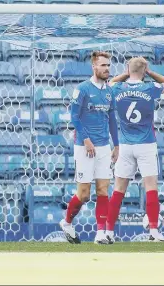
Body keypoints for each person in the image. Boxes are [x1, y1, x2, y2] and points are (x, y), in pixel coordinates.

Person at [106, 57, 164, 242]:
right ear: (144, 71)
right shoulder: (149, 88)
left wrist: (126, 73)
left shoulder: (117, 88)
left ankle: (109, 233)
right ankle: (153, 232)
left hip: (125, 145)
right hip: (146, 144)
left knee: (119, 189)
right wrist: (150, 73)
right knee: (151, 187)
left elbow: (111, 81)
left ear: (128, 69)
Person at [59, 51, 120, 244]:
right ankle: (67, 222)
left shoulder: (110, 91)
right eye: (103, 65)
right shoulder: (83, 89)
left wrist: (116, 144)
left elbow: (111, 119)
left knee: (103, 189)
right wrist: (85, 139)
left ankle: (100, 234)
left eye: (108, 65)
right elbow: (74, 117)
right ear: (94, 67)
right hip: (84, 147)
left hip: (103, 147)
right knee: (84, 194)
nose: (107, 69)